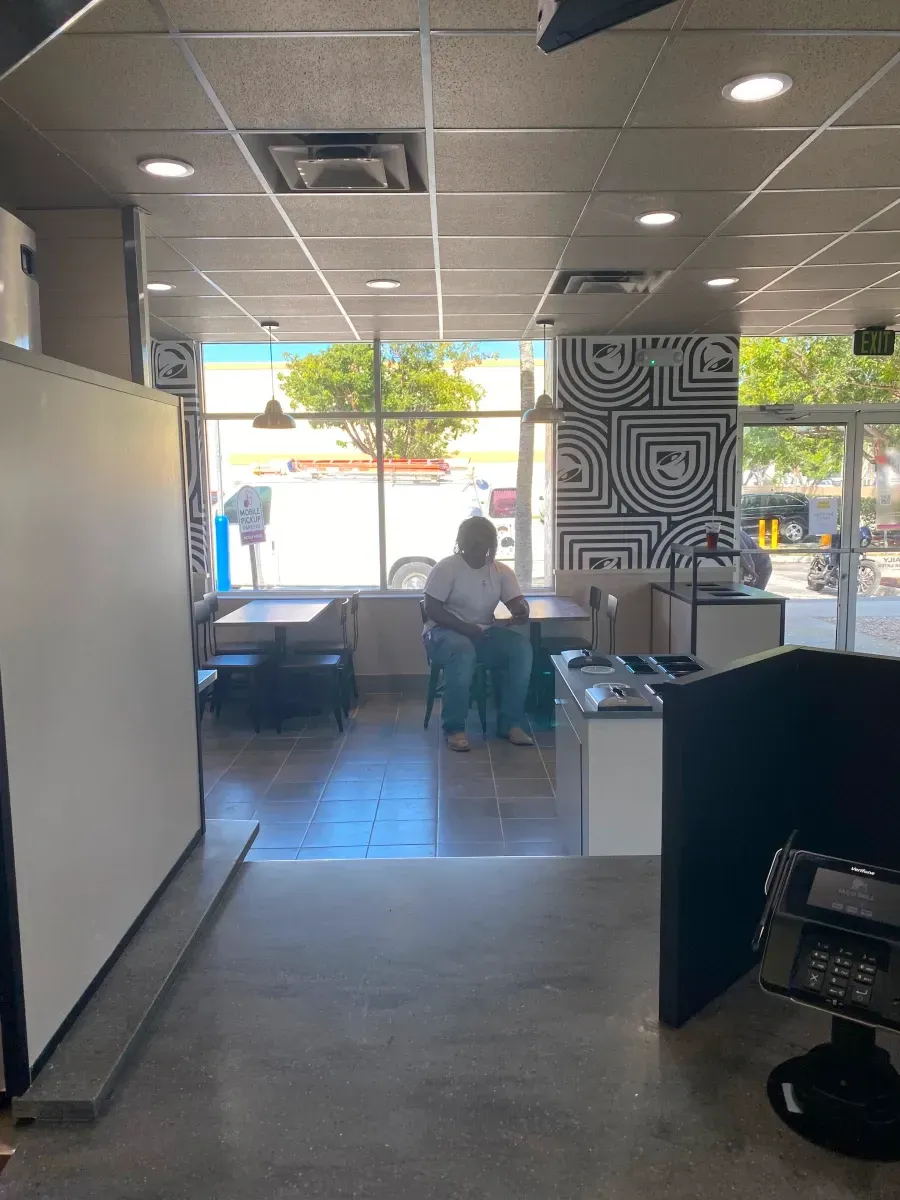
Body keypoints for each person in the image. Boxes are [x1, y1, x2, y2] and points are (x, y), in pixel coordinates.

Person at [423, 515, 534, 752]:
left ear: (492, 545)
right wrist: (465, 628)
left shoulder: (501, 571)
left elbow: (517, 602)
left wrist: (522, 610)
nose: (480, 551)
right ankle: (454, 728)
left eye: (485, 545)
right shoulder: (446, 568)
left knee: (521, 648)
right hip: (441, 633)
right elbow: (432, 609)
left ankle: (510, 723)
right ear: (463, 543)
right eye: (475, 544)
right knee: (462, 650)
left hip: (482, 633)